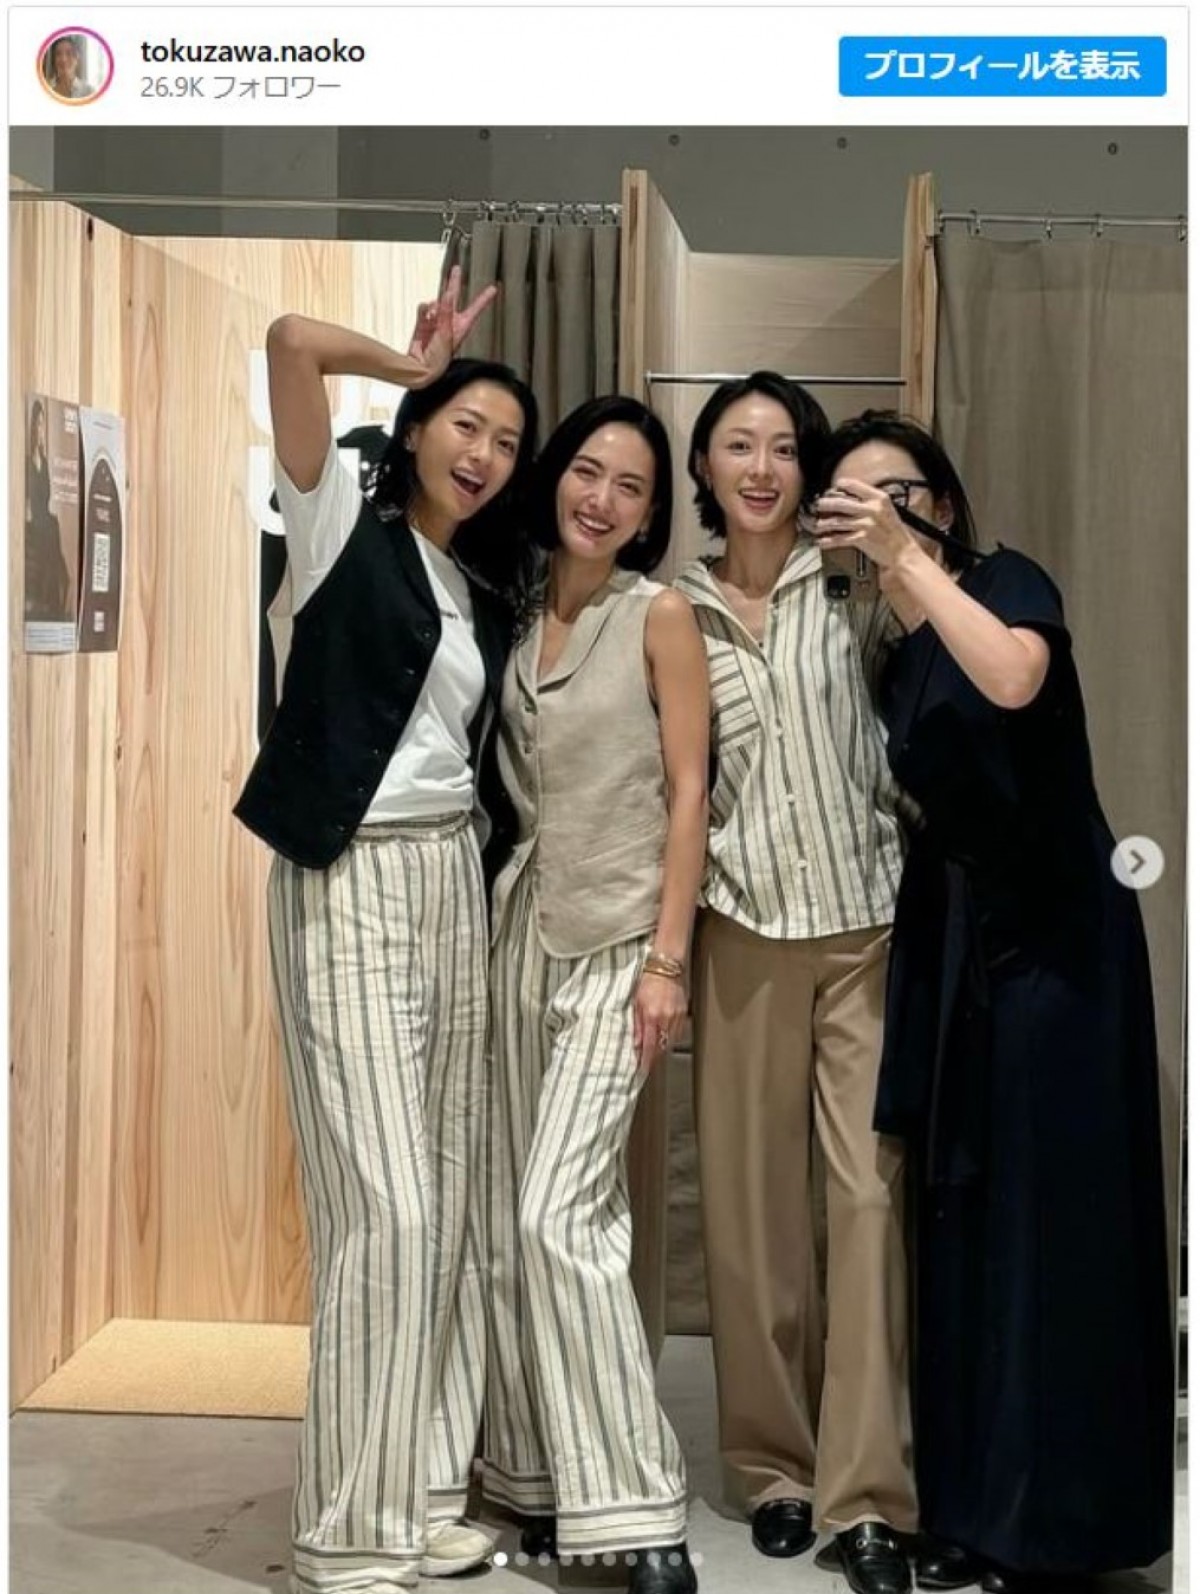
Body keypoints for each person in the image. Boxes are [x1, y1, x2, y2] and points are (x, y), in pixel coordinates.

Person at [813, 411, 1175, 1592]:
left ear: (941, 505)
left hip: (1058, 938)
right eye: (852, 497)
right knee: (968, 1221)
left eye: (896, 491)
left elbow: (1016, 678)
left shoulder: (1004, 580)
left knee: (1053, 1220)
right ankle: (974, 1509)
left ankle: (1059, 1527)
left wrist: (907, 558)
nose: (875, 511)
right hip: (959, 938)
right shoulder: (891, 646)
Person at [233, 269, 538, 1594]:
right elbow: (290, 340)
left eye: (506, 441)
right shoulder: (330, 524)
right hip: (348, 875)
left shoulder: (475, 589)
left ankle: (417, 1495)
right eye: (466, 424)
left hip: (449, 879)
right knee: (386, 1210)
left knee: (450, 1196)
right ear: (416, 431)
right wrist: (407, 364)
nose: (485, 454)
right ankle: (346, 1529)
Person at [674, 373, 916, 1594]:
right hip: (741, 932)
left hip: (868, 928)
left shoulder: (854, 587)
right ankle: (773, 1466)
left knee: (868, 1205)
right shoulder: (672, 610)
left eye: (781, 446)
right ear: (704, 468)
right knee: (753, 1211)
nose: (761, 467)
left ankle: (868, 1492)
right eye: (738, 445)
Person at [479, 396, 710, 1594]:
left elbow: (691, 791)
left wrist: (668, 960)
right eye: (587, 470)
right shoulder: (521, 611)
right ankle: (537, 1480)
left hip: (621, 944)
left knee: (558, 1218)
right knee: (508, 1220)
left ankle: (640, 1507)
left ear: (652, 511)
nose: (603, 498)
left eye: (632, 485)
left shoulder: (655, 614)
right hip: (521, 937)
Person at [25, 397, 71, 621]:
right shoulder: (27, 462)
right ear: (32, 427)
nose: (40, 428)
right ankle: (54, 598)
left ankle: (57, 594)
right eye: (37, 423)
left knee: (54, 524)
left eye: (42, 423)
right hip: (36, 518)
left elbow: (48, 495)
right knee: (51, 528)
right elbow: (27, 500)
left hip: (46, 517)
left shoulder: (44, 461)